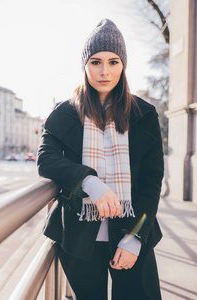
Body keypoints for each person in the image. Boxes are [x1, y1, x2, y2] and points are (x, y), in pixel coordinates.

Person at [37, 19, 164, 300]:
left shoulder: (144, 114)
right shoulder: (65, 113)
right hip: (80, 238)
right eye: (96, 62)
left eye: (113, 61)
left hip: (131, 231)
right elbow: (45, 159)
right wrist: (88, 181)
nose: (104, 71)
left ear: (123, 65)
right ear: (85, 65)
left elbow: (151, 184)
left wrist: (136, 237)